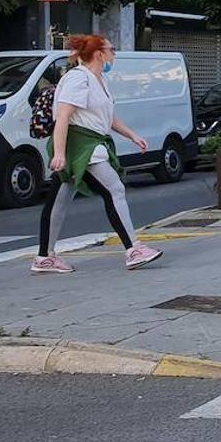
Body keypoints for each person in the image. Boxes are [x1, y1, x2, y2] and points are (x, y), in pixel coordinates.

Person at [31, 35, 164, 274]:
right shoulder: (78, 78)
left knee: (60, 200)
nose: (115, 54)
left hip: (85, 144)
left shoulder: (97, 79)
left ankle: (44, 257)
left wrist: (131, 135)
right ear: (99, 53)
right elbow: (63, 116)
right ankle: (133, 249)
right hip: (81, 146)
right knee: (114, 190)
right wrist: (60, 153)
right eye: (112, 49)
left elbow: (106, 117)